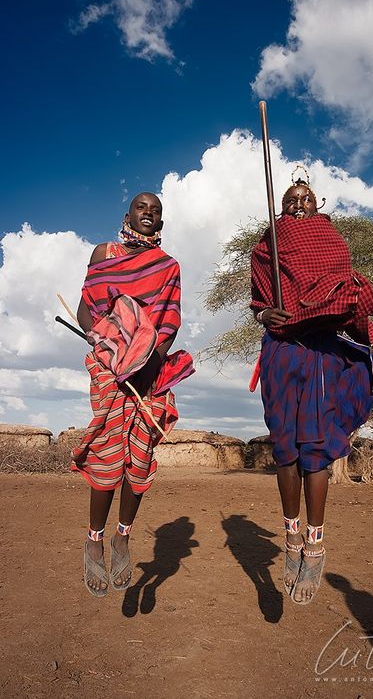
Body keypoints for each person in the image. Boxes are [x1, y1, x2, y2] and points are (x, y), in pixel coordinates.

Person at [250, 173, 373, 605]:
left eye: (306, 198)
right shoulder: (266, 247)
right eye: (292, 199)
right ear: (281, 207)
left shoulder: (332, 242)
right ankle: (290, 535)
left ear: (318, 204)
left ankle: (314, 544)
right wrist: (265, 316)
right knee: (285, 449)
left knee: (313, 448)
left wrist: (364, 327)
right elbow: (257, 304)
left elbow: (346, 294)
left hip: (319, 355)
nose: (298, 203)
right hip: (281, 351)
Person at [73, 192, 194, 597]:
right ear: (128, 214)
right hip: (109, 367)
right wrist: (105, 342)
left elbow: (169, 321)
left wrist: (148, 363)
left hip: (149, 374)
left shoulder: (167, 267)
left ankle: (122, 537)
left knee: (138, 459)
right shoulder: (103, 253)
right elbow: (85, 309)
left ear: (161, 222)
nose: (149, 213)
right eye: (142, 207)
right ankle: (94, 540)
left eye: (156, 210)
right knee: (108, 453)